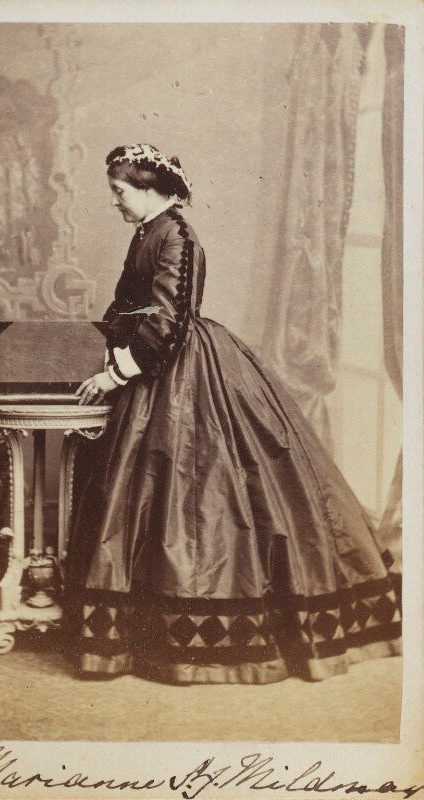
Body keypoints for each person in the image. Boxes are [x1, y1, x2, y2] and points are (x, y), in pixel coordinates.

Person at [64, 143, 401, 685]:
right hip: (152, 368)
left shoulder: (177, 235)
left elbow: (169, 321)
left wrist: (117, 372)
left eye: (120, 191)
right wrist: (104, 347)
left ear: (149, 189)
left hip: (182, 368)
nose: (115, 201)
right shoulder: (147, 232)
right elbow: (130, 304)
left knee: (201, 491)